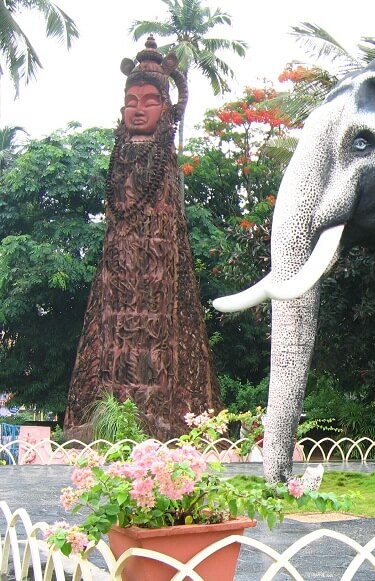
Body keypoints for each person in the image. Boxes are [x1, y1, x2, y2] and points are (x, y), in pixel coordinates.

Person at [64, 37, 220, 440]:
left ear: (165, 107)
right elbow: (119, 209)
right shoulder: (120, 156)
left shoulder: (163, 161)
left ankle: (162, 417)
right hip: (118, 277)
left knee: (163, 336)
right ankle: (106, 417)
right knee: (111, 335)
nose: (137, 109)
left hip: (158, 277)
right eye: (131, 101)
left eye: (149, 101)